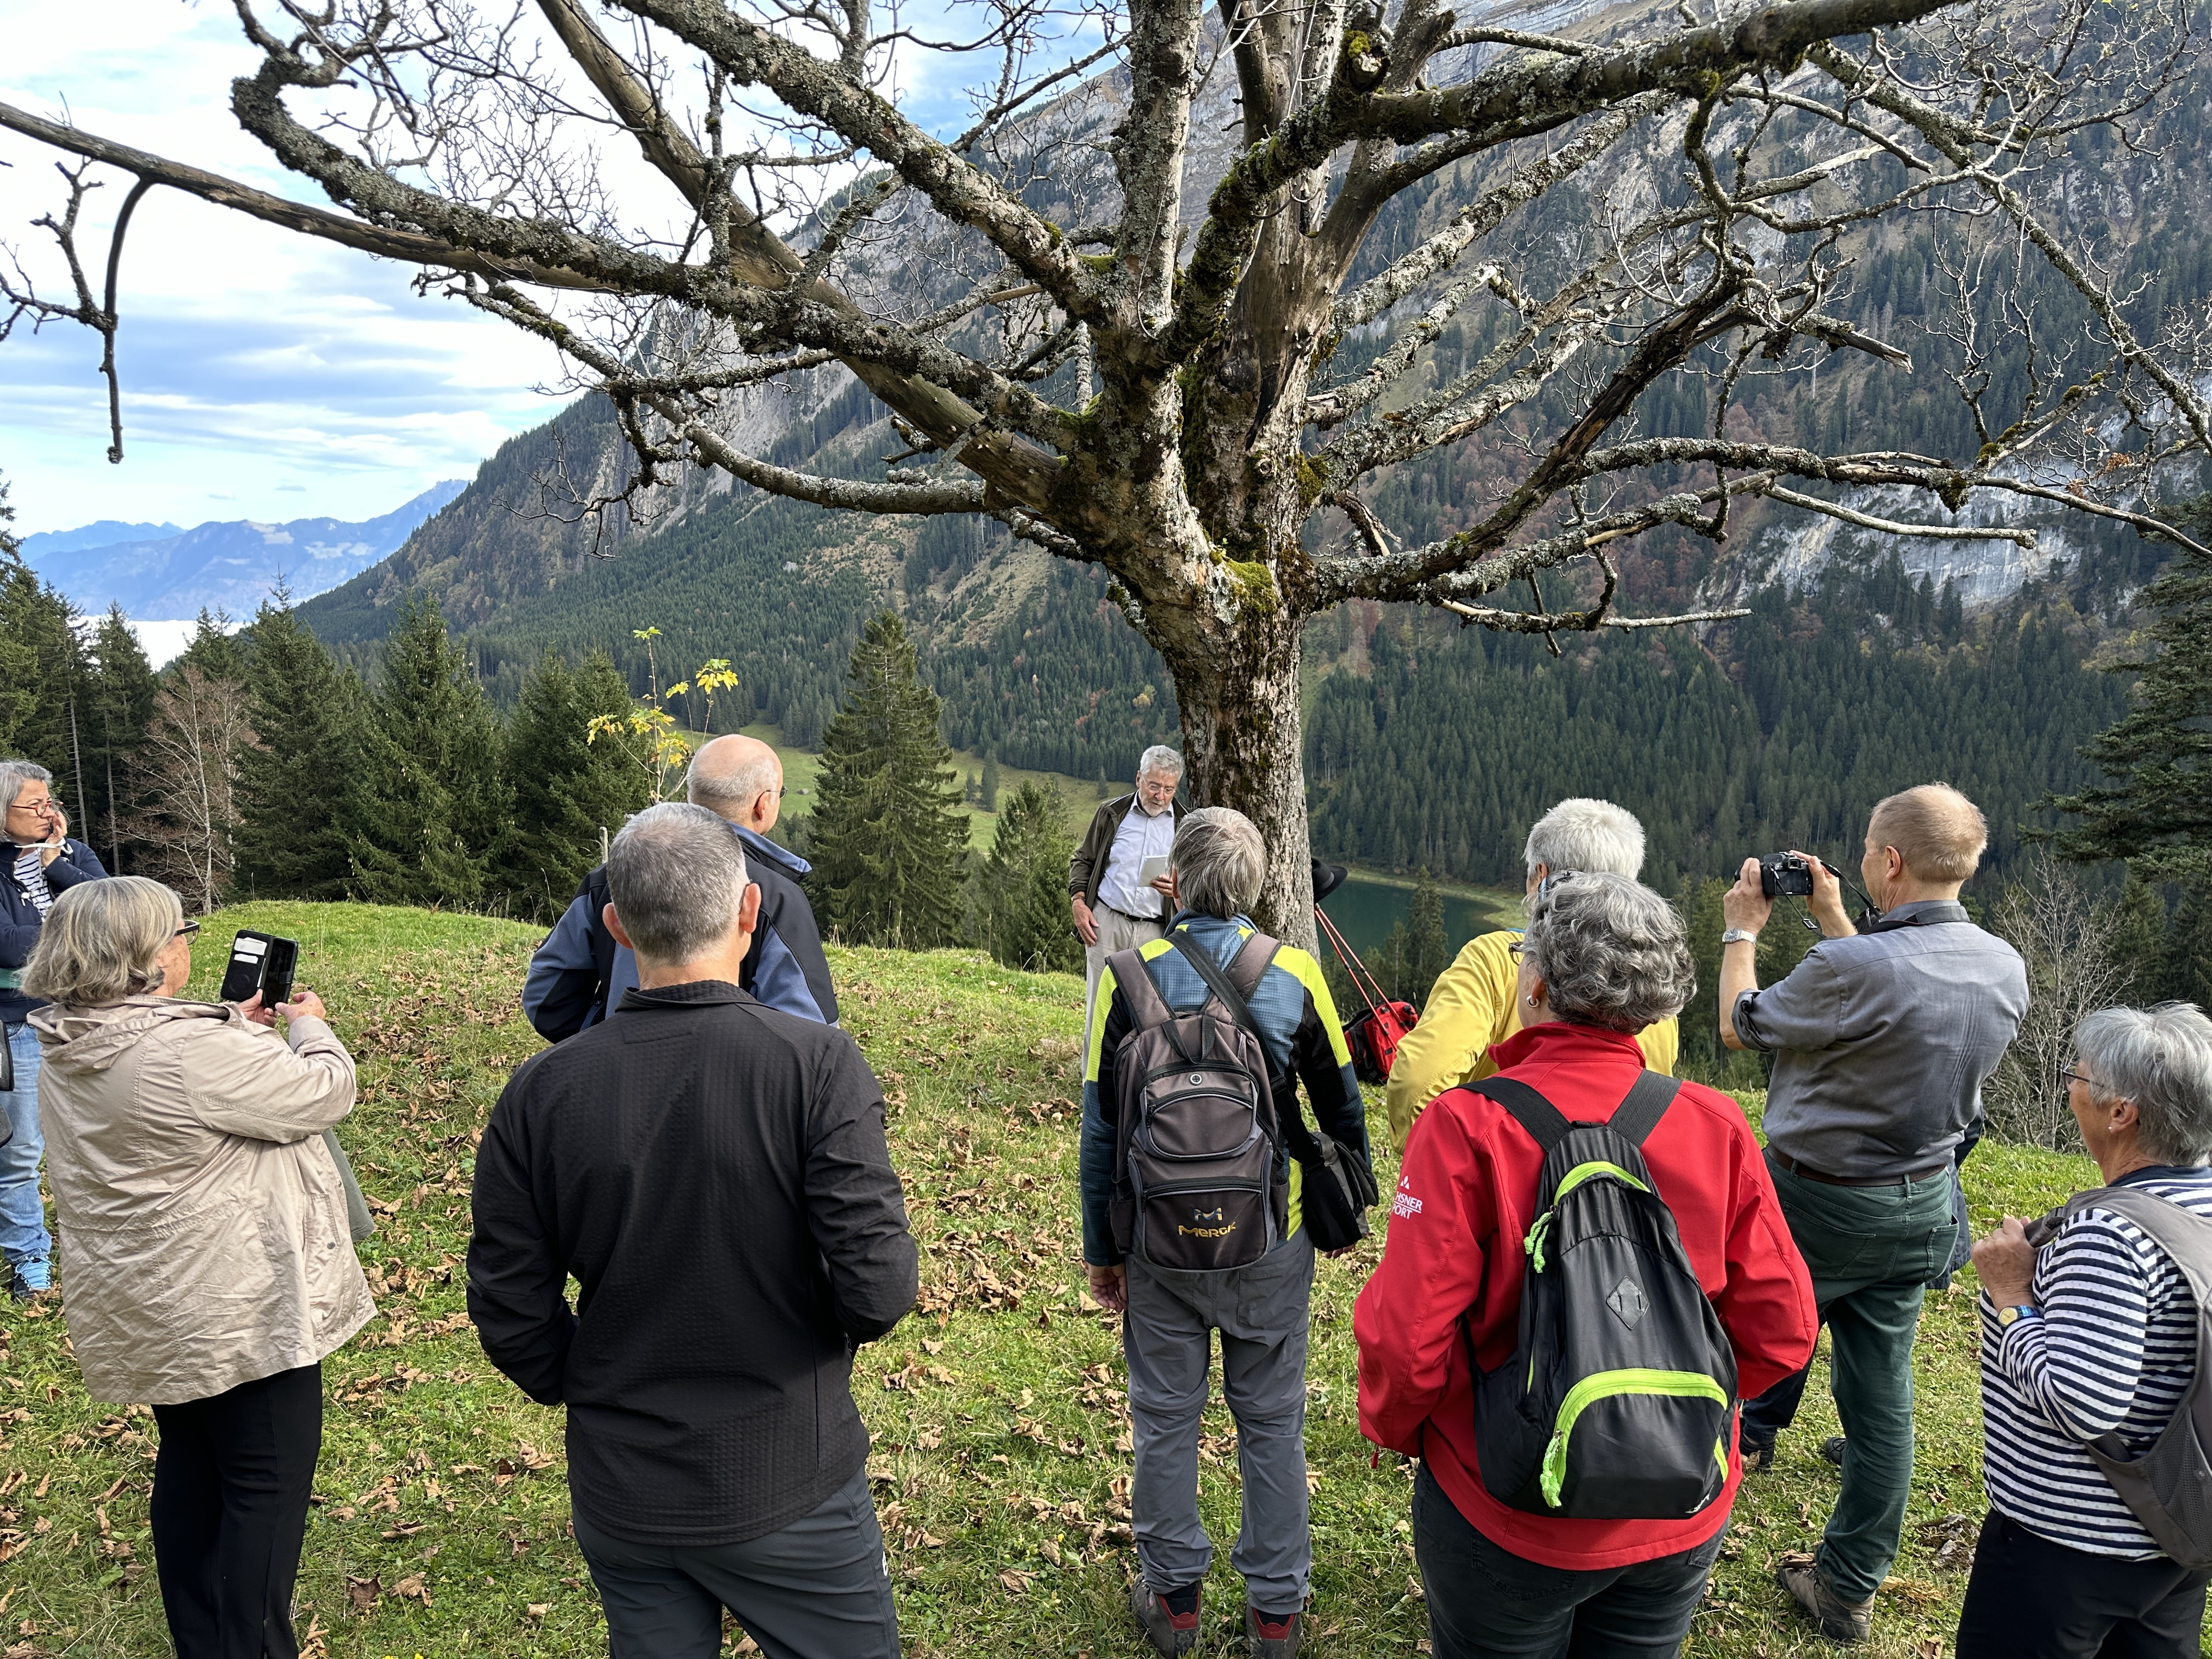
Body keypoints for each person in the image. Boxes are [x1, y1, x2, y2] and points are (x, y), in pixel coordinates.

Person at [470, 802, 917, 1659]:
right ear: (750, 912)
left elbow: (508, 1305)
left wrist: (586, 1383)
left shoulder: (542, 1092)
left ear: (616, 927)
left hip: (621, 1487)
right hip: (791, 1473)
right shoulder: (817, 1067)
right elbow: (880, 1287)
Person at [1356, 871, 1818, 1659]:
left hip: (1503, 1508)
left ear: (1533, 982)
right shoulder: (1715, 1124)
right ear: (1662, 1002)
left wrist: (1399, 1430)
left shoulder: (1466, 1127)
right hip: (1678, 1507)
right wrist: (1662, 1409)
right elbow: (1785, 1329)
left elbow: (1406, 1342)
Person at [25, 876, 366, 1659]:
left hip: (150, 1298)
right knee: (263, 1490)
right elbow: (322, 1093)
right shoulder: (189, 1051)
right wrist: (308, 1028)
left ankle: (201, 1639)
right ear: (148, 953)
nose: (187, 946)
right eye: (182, 932)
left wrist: (232, 1029)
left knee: (192, 1465)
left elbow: (175, 1085)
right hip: (236, 1303)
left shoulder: (73, 1038)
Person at [1719, 783, 2029, 1643]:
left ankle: (1675, 1527)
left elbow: (1744, 1025)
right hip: (1923, 1198)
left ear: (1889, 862)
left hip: (1815, 1202)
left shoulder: (1845, 971)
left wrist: (1742, 929)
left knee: (1734, 1350)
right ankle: (1848, 1585)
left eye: (1864, 852)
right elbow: (1890, 998)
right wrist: (1832, 919)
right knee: (1883, 1399)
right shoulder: (2003, 965)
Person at [1080, 806, 1369, 1658]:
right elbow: (1342, 1111)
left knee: (1165, 1419)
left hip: (1158, 1246)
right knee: (1272, 1421)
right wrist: (1341, 1197)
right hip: (1266, 1241)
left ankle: (1173, 1603)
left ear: (1179, 877)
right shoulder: (1296, 973)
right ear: (1251, 885)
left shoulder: (1128, 977)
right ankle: (1275, 1613)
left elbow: (1102, 1132)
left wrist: (1104, 1251)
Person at [1957, 1002, 2212, 1659]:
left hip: (2070, 1548)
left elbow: (2082, 1402)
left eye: (2078, 1074)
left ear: (2120, 1111)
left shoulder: (2110, 1235)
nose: (2071, 1085)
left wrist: (2012, 1294)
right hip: (2181, 1529)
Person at [1385, 799, 1678, 1149]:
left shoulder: (1495, 959)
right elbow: (1654, 1109)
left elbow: (1416, 1083)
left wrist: (1453, 1167)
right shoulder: (1652, 987)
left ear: (1541, 876)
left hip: (1505, 1182)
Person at [523, 733, 837, 1037]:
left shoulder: (612, 877)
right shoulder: (776, 897)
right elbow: (810, 1032)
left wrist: (604, 1037)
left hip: (618, 1078)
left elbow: (546, 998)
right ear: (762, 804)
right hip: (736, 1086)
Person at [1, 758, 110, 1301]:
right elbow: (6, 946)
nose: (48, 814)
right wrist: (74, 934)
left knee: (97, 1140)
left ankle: (104, 1249)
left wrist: (57, 868)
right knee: (21, 1150)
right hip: (17, 1025)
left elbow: (114, 918)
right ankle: (29, 1258)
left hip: (85, 1018)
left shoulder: (71, 854)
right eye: (35, 806)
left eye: (51, 803)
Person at [1070, 745, 1184, 1031]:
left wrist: (1179, 889)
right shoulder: (1111, 814)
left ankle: (1136, 1077)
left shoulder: (1185, 825)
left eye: (1169, 790)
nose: (1161, 797)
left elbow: (1198, 881)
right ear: (1138, 779)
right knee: (1099, 1014)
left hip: (1156, 932)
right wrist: (1079, 902)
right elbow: (1083, 859)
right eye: (1154, 786)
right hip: (1106, 924)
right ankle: (1092, 1078)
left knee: (1149, 1018)